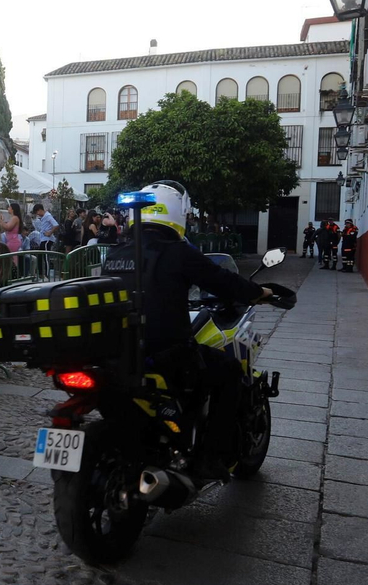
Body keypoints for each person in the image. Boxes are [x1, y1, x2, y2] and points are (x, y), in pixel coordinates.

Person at [102, 182, 280, 477]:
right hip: (165, 354)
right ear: (177, 214)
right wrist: (259, 292)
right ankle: (213, 457)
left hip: (119, 353)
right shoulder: (178, 252)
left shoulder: (116, 254)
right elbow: (223, 280)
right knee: (230, 371)